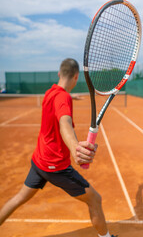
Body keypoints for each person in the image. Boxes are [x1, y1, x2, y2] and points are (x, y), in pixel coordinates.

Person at [0, 58, 117, 237]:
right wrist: (75, 147)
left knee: (18, 198)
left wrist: (71, 96)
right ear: (76, 77)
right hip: (55, 166)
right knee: (95, 199)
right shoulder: (62, 98)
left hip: (39, 161)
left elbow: (60, 100)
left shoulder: (51, 93)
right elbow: (65, 124)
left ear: (59, 74)